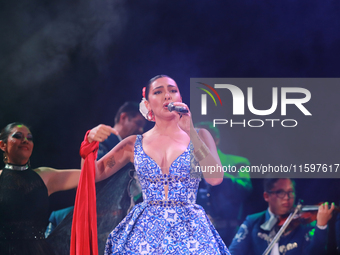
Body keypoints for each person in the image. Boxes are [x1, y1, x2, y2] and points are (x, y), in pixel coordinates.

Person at [81, 75, 230, 254]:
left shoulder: (200, 135)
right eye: (158, 92)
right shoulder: (133, 143)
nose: (167, 96)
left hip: (190, 231)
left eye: (172, 90)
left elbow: (215, 178)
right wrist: (89, 143)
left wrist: (190, 131)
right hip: (145, 230)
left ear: (180, 98)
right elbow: (92, 174)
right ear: (147, 104)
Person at [47, 101, 146, 253]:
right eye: (138, 123)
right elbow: (93, 175)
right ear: (123, 117)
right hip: (102, 216)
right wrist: (90, 143)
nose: (140, 129)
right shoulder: (103, 141)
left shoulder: (140, 147)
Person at [0, 122, 81, 255]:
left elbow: (92, 174)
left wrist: (90, 141)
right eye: (18, 136)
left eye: (29, 138)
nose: (25, 140)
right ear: (3, 145)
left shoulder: (44, 177)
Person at [229, 178, 334, 255]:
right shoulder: (253, 221)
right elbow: (234, 252)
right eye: (280, 192)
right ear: (267, 196)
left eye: (290, 192)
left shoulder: (303, 224)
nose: (287, 198)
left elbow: (315, 252)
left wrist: (321, 226)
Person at [194, 121, 252, 246]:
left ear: (215, 141)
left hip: (230, 233)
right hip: (198, 233)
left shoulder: (238, 162)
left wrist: (215, 172)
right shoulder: (189, 166)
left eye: (201, 139)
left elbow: (245, 190)